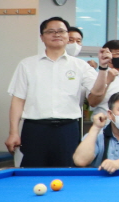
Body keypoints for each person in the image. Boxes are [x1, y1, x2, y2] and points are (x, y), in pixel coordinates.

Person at [6, 17, 98, 167]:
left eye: (61, 31)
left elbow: (96, 95)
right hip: (35, 129)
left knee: (67, 172)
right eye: (50, 31)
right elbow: (18, 100)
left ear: (67, 35)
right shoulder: (27, 65)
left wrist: (104, 71)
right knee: (32, 172)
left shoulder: (81, 66)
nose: (56, 34)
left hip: (67, 129)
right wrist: (13, 132)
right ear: (42, 37)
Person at [87, 39, 119, 116]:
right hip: (105, 120)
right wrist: (107, 81)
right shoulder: (97, 76)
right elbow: (92, 102)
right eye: (118, 54)